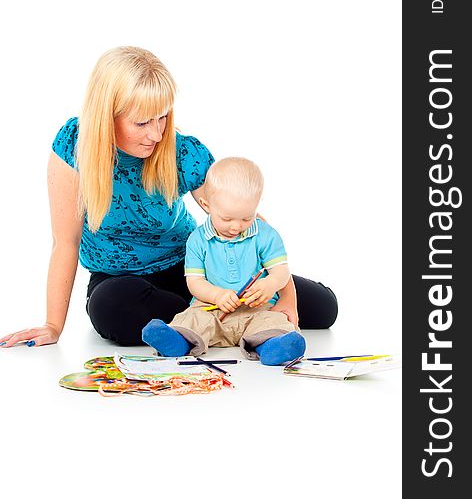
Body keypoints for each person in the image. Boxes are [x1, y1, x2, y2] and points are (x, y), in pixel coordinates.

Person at [0, 46, 338, 349]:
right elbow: (66, 242)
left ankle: (210, 319)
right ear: (107, 116)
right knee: (113, 308)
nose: (156, 133)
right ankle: (225, 319)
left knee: (324, 309)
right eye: (142, 122)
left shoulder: (181, 151)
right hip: (120, 280)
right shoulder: (74, 145)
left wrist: (286, 293)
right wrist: (52, 325)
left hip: (194, 270)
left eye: (163, 117)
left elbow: (238, 214)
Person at [142, 157, 306, 365]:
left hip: (258, 309)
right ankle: (177, 342)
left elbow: (281, 271)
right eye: (227, 219)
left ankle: (273, 347)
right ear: (206, 205)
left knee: (274, 321)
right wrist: (217, 295)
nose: (236, 226)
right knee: (192, 318)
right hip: (212, 309)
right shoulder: (197, 239)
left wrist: (270, 284)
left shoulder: (266, 234)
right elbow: (195, 283)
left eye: (247, 218)